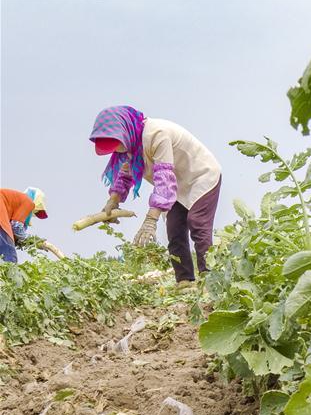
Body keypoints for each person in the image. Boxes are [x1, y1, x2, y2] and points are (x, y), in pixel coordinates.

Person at [89, 105, 222, 283]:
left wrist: (151, 220)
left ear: (124, 130)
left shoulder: (157, 134)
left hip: (200, 175)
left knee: (197, 222)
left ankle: (210, 280)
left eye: (117, 144)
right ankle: (185, 281)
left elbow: (164, 179)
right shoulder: (131, 146)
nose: (117, 150)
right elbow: (125, 175)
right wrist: (113, 201)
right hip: (177, 183)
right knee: (174, 229)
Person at [0, 187, 48, 263]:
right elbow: (16, 226)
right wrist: (33, 241)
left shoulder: (15, 200)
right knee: (9, 259)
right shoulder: (28, 202)